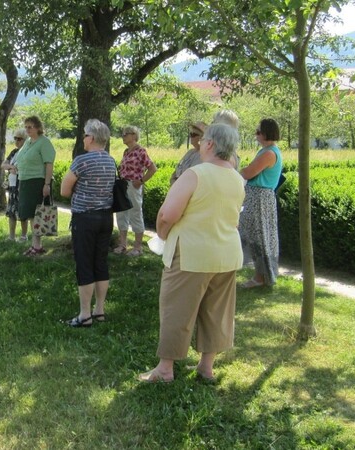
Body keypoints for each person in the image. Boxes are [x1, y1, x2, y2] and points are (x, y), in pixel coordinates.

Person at [138, 123, 245, 383]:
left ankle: (165, 369)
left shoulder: (195, 174)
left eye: (202, 139)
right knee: (217, 311)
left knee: (176, 309)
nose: (198, 143)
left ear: (209, 144)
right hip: (227, 254)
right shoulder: (237, 178)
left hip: (191, 253)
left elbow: (168, 214)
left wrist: (162, 233)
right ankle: (206, 367)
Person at [60, 119, 117, 327]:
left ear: (91, 138)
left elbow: (64, 191)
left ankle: (84, 315)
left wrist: (81, 192)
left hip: (85, 218)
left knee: (84, 264)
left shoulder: (81, 161)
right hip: (106, 218)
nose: (83, 138)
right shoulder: (110, 161)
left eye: (84, 135)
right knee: (100, 263)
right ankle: (99, 310)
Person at [239, 118, 283, 288]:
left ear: (266, 133)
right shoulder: (267, 151)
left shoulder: (269, 153)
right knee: (255, 235)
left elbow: (249, 172)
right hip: (258, 198)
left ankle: (261, 276)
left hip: (259, 199)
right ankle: (261, 275)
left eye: (258, 132)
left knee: (259, 236)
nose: (256, 135)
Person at [15, 116, 56, 256]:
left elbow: (49, 164)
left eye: (30, 127)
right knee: (29, 214)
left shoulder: (44, 142)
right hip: (25, 180)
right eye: (26, 127)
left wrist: (47, 184)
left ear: (38, 127)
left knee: (36, 213)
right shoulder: (28, 142)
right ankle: (34, 245)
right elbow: (21, 158)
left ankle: (37, 246)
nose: (27, 129)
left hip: (37, 181)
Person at [114, 125, 157, 256]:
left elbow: (152, 168)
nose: (123, 136)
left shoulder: (141, 151)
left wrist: (141, 181)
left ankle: (138, 247)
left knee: (135, 214)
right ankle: (123, 245)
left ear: (134, 135)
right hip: (122, 185)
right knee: (121, 214)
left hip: (133, 186)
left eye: (126, 134)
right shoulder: (126, 152)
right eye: (123, 134)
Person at [1, 129, 29, 241]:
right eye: (15, 138)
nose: (16, 141)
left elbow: (24, 167)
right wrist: (11, 167)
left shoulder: (27, 152)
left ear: (25, 140)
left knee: (22, 210)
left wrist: (13, 168)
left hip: (22, 185)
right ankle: (11, 236)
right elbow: (3, 164)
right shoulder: (14, 152)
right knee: (12, 210)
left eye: (19, 139)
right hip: (12, 186)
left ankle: (24, 235)